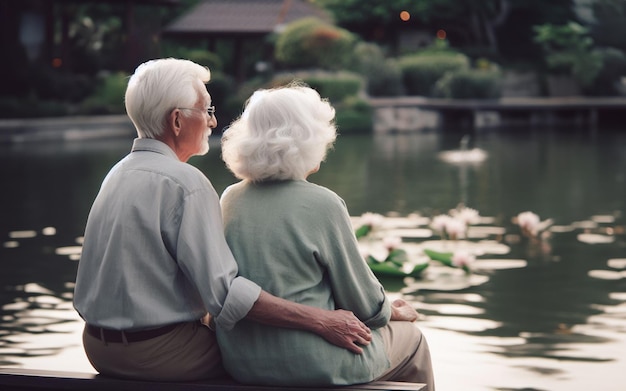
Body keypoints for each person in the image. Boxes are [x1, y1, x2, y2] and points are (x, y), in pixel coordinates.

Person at [72, 58, 373, 382]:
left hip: (97, 348)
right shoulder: (187, 183)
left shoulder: (117, 174)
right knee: (260, 356)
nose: (213, 123)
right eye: (207, 110)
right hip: (157, 354)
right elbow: (226, 296)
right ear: (176, 121)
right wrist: (321, 320)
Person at [218, 83, 435, 389]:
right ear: (309, 139)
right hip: (314, 361)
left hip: (242, 361)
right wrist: (391, 310)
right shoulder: (323, 204)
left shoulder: (230, 198)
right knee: (412, 338)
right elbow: (365, 304)